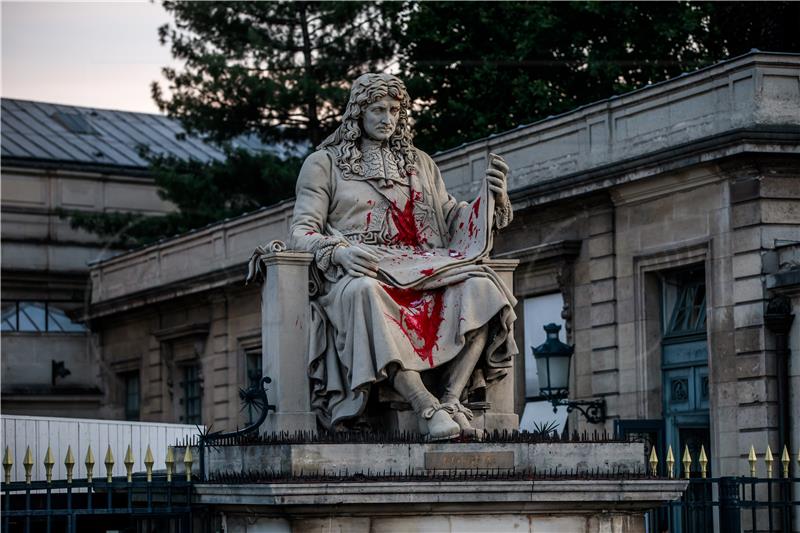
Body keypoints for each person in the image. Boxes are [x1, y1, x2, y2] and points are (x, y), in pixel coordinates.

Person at [290, 73, 517, 440]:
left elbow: (450, 218)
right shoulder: (324, 164)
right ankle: (423, 405)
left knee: (484, 289)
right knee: (364, 291)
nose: (387, 118)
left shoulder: (421, 164)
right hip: (361, 268)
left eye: (395, 110)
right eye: (378, 109)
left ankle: (449, 400)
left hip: (423, 265)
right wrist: (338, 252)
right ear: (357, 114)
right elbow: (302, 232)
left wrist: (492, 201)